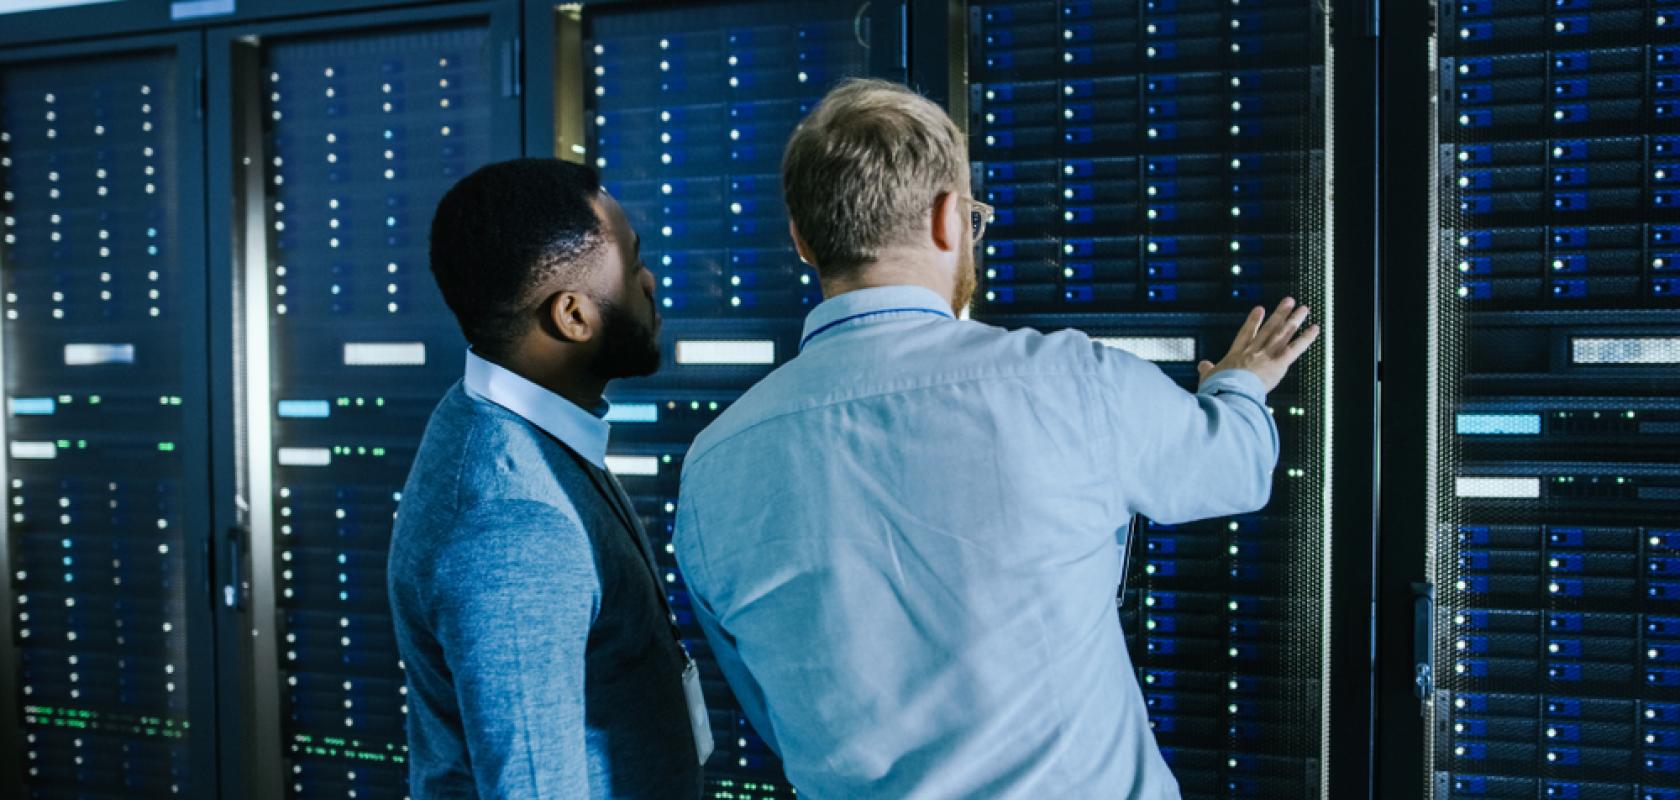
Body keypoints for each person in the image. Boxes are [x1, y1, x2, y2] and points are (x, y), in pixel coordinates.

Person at [672, 79, 1320, 799]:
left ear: (800, 239)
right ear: (951, 218)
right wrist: (1239, 384)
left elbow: (765, 704)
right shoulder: (1069, 381)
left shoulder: (711, 467)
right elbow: (1233, 466)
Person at [388, 158, 710, 799]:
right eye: (633, 261)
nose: (649, 280)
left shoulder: (506, 421)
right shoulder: (511, 525)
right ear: (572, 316)